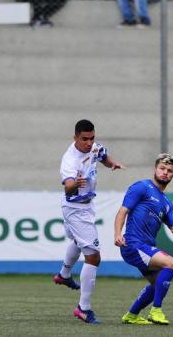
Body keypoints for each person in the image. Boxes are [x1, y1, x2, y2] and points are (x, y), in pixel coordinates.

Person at [53, 119, 125, 325]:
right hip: (76, 209)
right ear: (75, 138)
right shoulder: (69, 160)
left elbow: (102, 155)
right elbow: (67, 187)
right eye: (84, 139)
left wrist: (112, 164)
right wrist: (74, 184)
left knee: (78, 242)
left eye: (92, 138)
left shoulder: (94, 147)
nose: (89, 142)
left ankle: (64, 274)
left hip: (84, 206)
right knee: (93, 257)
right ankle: (83, 308)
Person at [113, 153, 173, 325]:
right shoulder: (141, 187)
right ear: (155, 169)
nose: (165, 173)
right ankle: (156, 311)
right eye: (162, 168)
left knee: (158, 284)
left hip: (145, 246)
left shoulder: (167, 203)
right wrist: (117, 234)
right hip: (133, 244)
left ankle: (132, 315)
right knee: (171, 263)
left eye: (169, 171)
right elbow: (122, 211)